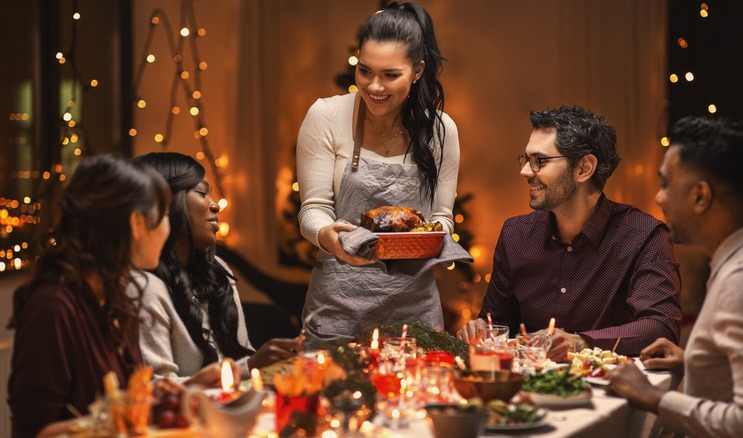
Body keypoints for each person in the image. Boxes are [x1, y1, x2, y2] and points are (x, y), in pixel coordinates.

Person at [457, 105, 682, 361]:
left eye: (539, 161)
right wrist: (482, 329)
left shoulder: (643, 236)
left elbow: (660, 328)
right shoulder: (516, 235)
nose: (525, 171)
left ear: (584, 168)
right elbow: (497, 322)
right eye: (526, 159)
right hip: (529, 389)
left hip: (611, 391)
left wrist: (581, 342)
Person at [296, 2, 460, 342]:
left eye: (390, 75)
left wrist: (426, 241)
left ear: (417, 71)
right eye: (365, 70)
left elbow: (442, 217)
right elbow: (313, 210)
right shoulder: (326, 116)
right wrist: (328, 236)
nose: (374, 86)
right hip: (338, 305)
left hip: (414, 311)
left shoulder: (441, 130)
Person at [607, 116, 743, 436]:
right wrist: (697, 363)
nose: (658, 198)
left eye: (665, 184)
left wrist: (655, 398)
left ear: (701, 196)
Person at [7, 155, 172, 437]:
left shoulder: (116, 298)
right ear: (136, 223)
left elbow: (127, 398)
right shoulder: (54, 309)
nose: (169, 226)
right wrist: (114, 421)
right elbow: (33, 431)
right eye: (165, 214)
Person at [133, 152, 299, 385]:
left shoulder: (216, 269)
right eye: (201, 193)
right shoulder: (144, 287)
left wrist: (256, 364)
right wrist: (248, 368)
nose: (214, 205)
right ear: (166, 204)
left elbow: (239, 360)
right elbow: (156, 389)